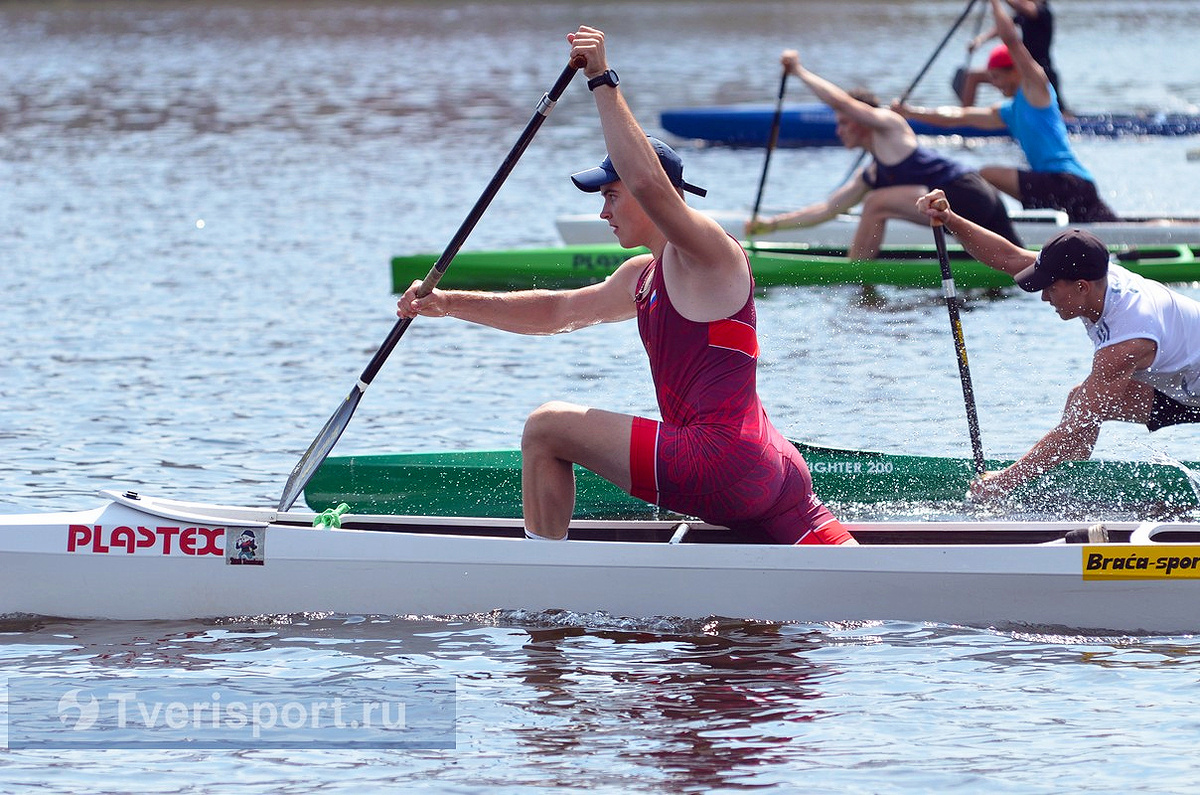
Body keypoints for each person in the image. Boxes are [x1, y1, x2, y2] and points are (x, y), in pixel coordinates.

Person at [398, 26, 856, 546]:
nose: (603, 210)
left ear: (660, 197)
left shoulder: (710, 254)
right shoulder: (642, 276)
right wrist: (448, 303)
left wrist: (600, 78)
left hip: (717, 462)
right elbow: (558, 312)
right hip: (775, 473)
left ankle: (541, 586)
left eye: (612, 195)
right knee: (861, 607)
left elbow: (648, 183)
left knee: (547, 428)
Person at [917, 188, 1200, 502]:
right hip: (1184, 385)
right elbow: (1009, 257)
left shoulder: (1126, 340)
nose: (1043, 297)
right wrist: (950, 220)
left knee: (1082, 413)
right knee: (1080, 401)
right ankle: (1069, 494)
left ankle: (1051, 491)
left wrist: (1004, 482)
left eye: (1050, 288)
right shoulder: (1089, 275)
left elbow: (1078, 425)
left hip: (1190, 387)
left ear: (1081, 287)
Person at [746, 49, 1022, 260]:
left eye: (843, 122)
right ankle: (862, 267)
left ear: (861, 119)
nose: (839, 130)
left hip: (970, 194)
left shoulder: (890, 126)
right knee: (1015, 258)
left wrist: (798, 71)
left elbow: (840, 101)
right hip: (959, 203)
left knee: (876, 202)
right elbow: (829, 209)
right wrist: (770, 226)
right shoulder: (873, 172)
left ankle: (858, 275)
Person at [895, 0, 1116, 224]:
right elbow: (957, 117)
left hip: (1067, 182)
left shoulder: (1036, 89)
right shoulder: (1008, 111)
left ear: (1015, 71)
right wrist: (910, 112)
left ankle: (992, 225)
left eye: (997, 78)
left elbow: (1010, 39)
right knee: (1117, 228)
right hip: (1067, 188)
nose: (996, 86)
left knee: (987, 174)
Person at [957, 0, 1067, 113]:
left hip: (1041, 72)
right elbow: (1005, 26)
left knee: (1059, 113)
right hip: (1020, 70)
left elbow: (1025, 8)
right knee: (973, 76)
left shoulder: (1043, 12)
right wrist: (980, 40)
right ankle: (964, 117)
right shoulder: (1023, 14)